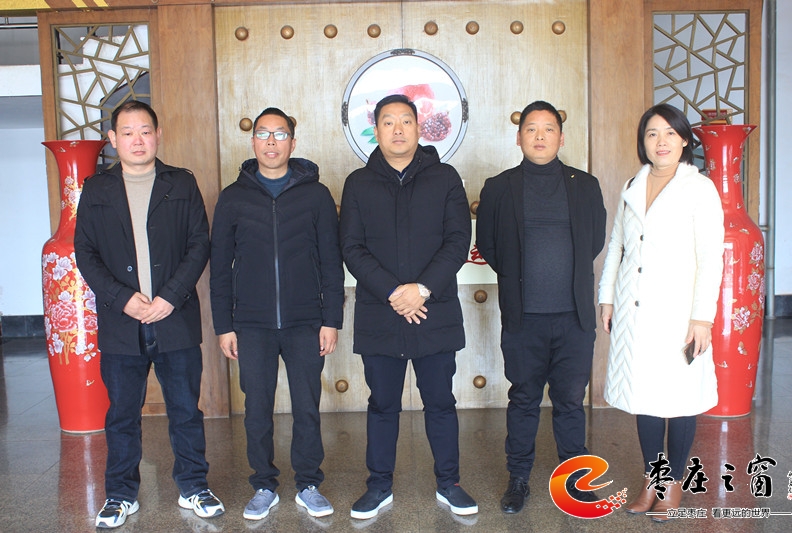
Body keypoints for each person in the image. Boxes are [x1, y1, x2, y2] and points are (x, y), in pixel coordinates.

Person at [75, 101, 224, 529]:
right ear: (113, 140)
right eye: (127, 132)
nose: (137, 140)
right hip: (121, 322)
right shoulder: (97, 189)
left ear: (158, 135)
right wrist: (122, 298)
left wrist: (170, 297)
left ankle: (194, 487)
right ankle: (120, 495)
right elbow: (85, 252)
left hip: (174, 318)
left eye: (145, 131)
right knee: (122, 413)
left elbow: (199, 243)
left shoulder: (181, 183)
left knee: (185, 410)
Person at [339, 94, 477, 519]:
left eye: (405, 121)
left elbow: (458, 240)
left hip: (434, 310)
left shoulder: (445, 178)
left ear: (419, 128)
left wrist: (422, 289)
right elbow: (352, 247)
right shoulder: (358, 183)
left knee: (441, 402)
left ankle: (450, 483)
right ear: (375, 131)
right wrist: (395, 293)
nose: (397, 130)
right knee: (382, 404)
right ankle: (378, 486)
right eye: (388, 122)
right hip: (381, 312)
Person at [209, 107, 344, 520]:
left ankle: (308, 484)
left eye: (280, 134)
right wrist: (224, 326)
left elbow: (331, 261)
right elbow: (220, 267)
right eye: (263, 133)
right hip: (252, 324)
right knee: (256, 409)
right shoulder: (233, 197)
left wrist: (331, 319)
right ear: (253, 142)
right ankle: (263, 484)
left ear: (293, 142)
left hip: (306, 322)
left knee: (307, 407)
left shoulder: (316, 195)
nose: (271, 141)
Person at [475, 100, 606, 513]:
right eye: (531, 129)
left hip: (574, 317)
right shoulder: (499, 187)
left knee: (570, 401)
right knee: (524, 399)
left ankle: (575, 479)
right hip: (524, 318)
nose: (540, 136)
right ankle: (518, 479)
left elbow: (595, 241)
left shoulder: (585, 185)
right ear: (519, 138)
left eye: (548, 129)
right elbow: (489, 245)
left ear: (561, 138)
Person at [598, 104, 723, 522]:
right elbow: (617, 245)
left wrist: (702, 318)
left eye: (670, 133)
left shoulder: (699, 188)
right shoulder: (633, 184)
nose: (661, 141)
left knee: (680, 398)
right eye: (652, 134)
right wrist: (608, 297)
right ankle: (653, 479)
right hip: (635, 308)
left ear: (685, 140)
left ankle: (673, 483)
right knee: (645, 396)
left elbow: (711, 258)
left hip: (679, 313)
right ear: (643, 142)